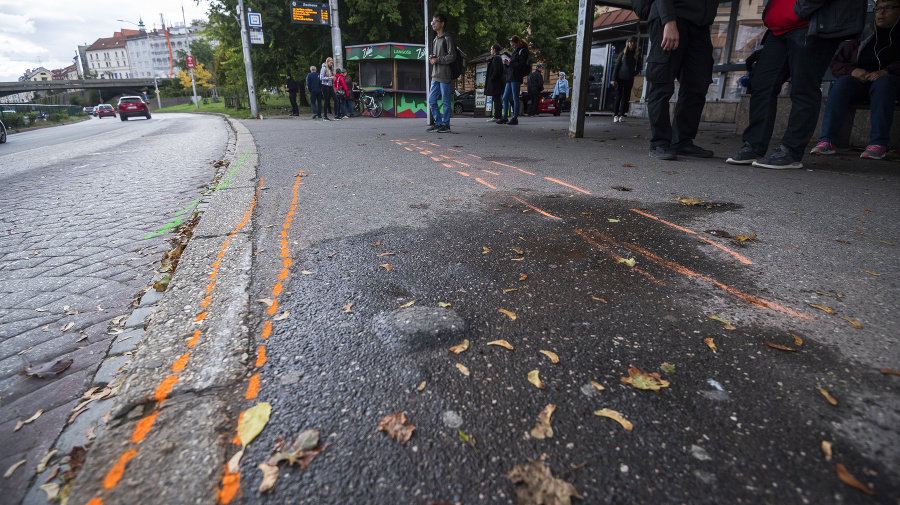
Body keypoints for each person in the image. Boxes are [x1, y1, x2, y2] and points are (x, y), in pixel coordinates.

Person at [726, 0, 867, 168]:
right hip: (778, 27)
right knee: (762, 84)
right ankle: (753, 146)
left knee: (803, 89)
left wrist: (800, 9)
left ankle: (791, 151)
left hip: (811, 25)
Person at [810, 0, 900, 160]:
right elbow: (836, 62)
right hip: (862, 82)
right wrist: (853, 71)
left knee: (884, 83)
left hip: (891, 85)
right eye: (878, 8)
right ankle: (827, 141)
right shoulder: (865, 33)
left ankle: (878, 144)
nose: (881, 12)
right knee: (842, 83)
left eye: (888, 8)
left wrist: (886, 71)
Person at [644, 0, 718, 160]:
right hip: (670, 19)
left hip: (700, 26)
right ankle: (659, 142)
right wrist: (668, 20)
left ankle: (682, 141)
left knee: (698, 85)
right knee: (661, 82)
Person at [427, 13, 457, 133]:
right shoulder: (435, 39)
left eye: (435, 21)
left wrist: (437, 59)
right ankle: (438, 123)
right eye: (432, 22)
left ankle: (446, 125)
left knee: (445, 101)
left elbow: (452, 56)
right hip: (435, 75)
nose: (433, 24)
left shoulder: (447, 38)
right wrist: (432, 58)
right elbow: (438, 57)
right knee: (431, 100)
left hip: (445, 75)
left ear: (442, 23)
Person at [499, 35, 530, 125]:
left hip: (516, 77)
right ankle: (505, 117)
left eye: (513, 45)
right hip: (511, 77)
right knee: (505, 98)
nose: (512, 47)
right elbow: (513, 64)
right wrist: (506, 64)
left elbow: (521, 65)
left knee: (515, 97)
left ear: (517, 43)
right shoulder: (516, 51)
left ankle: (515, 117)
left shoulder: (522, 51)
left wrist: (510, 63)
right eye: (511, 45)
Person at [610, 36, 639, 123]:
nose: (632, 43)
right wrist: (613, 79)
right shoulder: (622, 54)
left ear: (635, 43)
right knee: (618, 97)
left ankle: (622, 115)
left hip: (629, 79)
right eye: (630, 42)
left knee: (626, 98)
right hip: (620, 78)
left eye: (633, 42)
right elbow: (617, 67)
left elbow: (640, 66)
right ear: (628, 43)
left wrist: (634, 73)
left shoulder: (637, 54)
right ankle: (615, 115)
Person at [485, 43, 505, 122]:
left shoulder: (496, 58)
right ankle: (498, 115)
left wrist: (492, 79)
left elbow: (496, 71)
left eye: (491, 49)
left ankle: (497, 116)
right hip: (498, 83)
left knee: (496, 99)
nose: (490, 51)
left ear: (494, 50)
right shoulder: (498, 58)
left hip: (495, 83)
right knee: (497, 99)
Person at [320, 57, 336, 121]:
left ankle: (336, 115)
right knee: (326, 101)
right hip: (325, 85)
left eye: (332, 63)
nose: (331, 64)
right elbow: (321, 78)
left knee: (335, 99)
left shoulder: (330, 69)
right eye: (331, 63)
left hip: (330, 85)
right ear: (328, 62)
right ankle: (325, 116)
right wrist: (329, 78)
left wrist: (332, 78)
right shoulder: (323, 68)